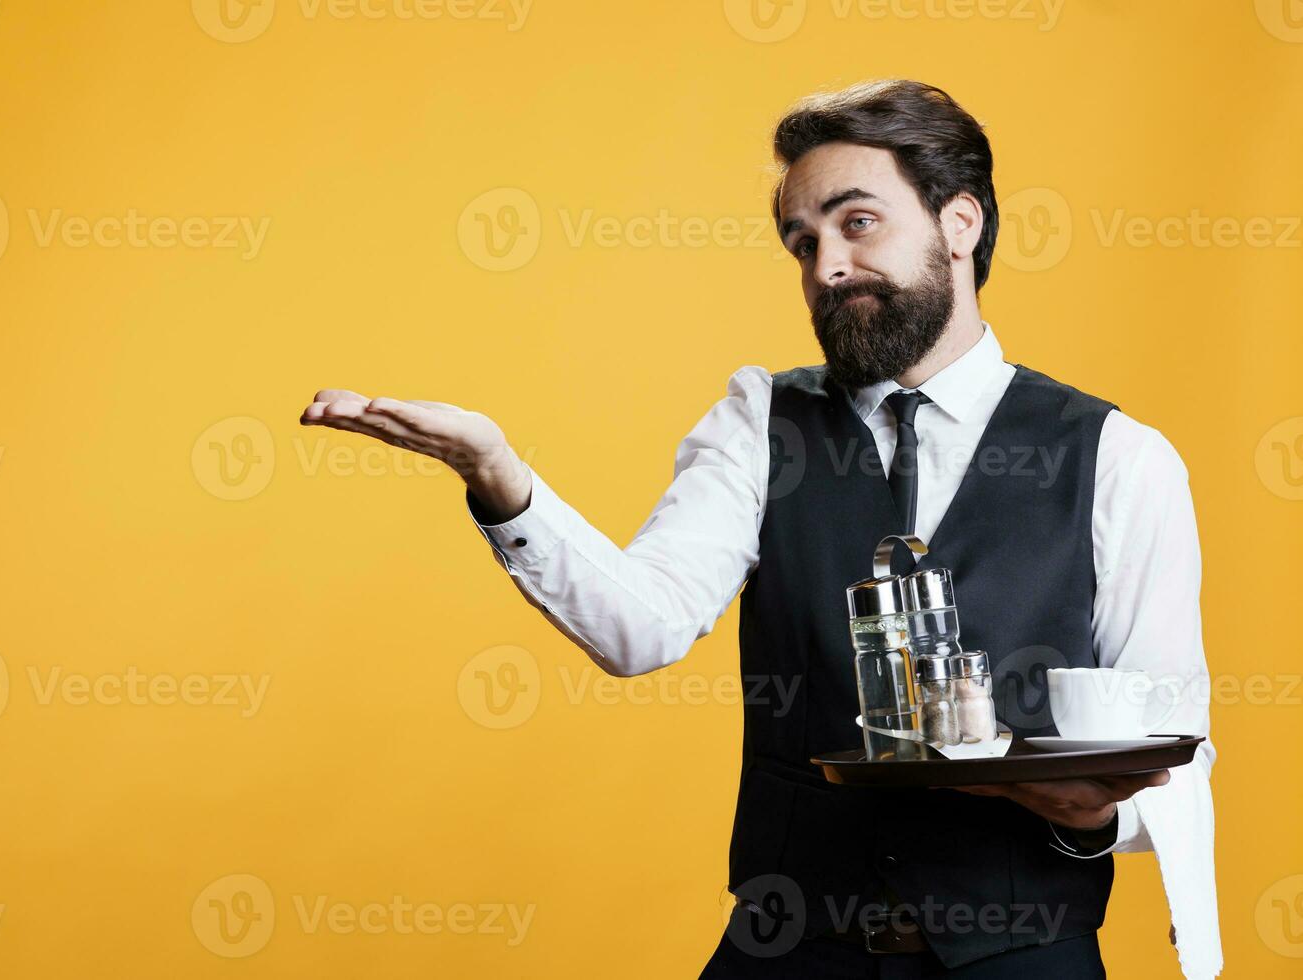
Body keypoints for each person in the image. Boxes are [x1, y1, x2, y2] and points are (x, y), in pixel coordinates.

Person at [299, 79, 1220, 979]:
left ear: (960, 223)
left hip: (1023, 960)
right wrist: (500, 477)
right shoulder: (758, 423)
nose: (826, 268)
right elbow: (640, 626)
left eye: (857, 224)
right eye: (802, 241)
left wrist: (1087, 815)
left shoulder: (1120, 458)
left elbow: (1175, 742)